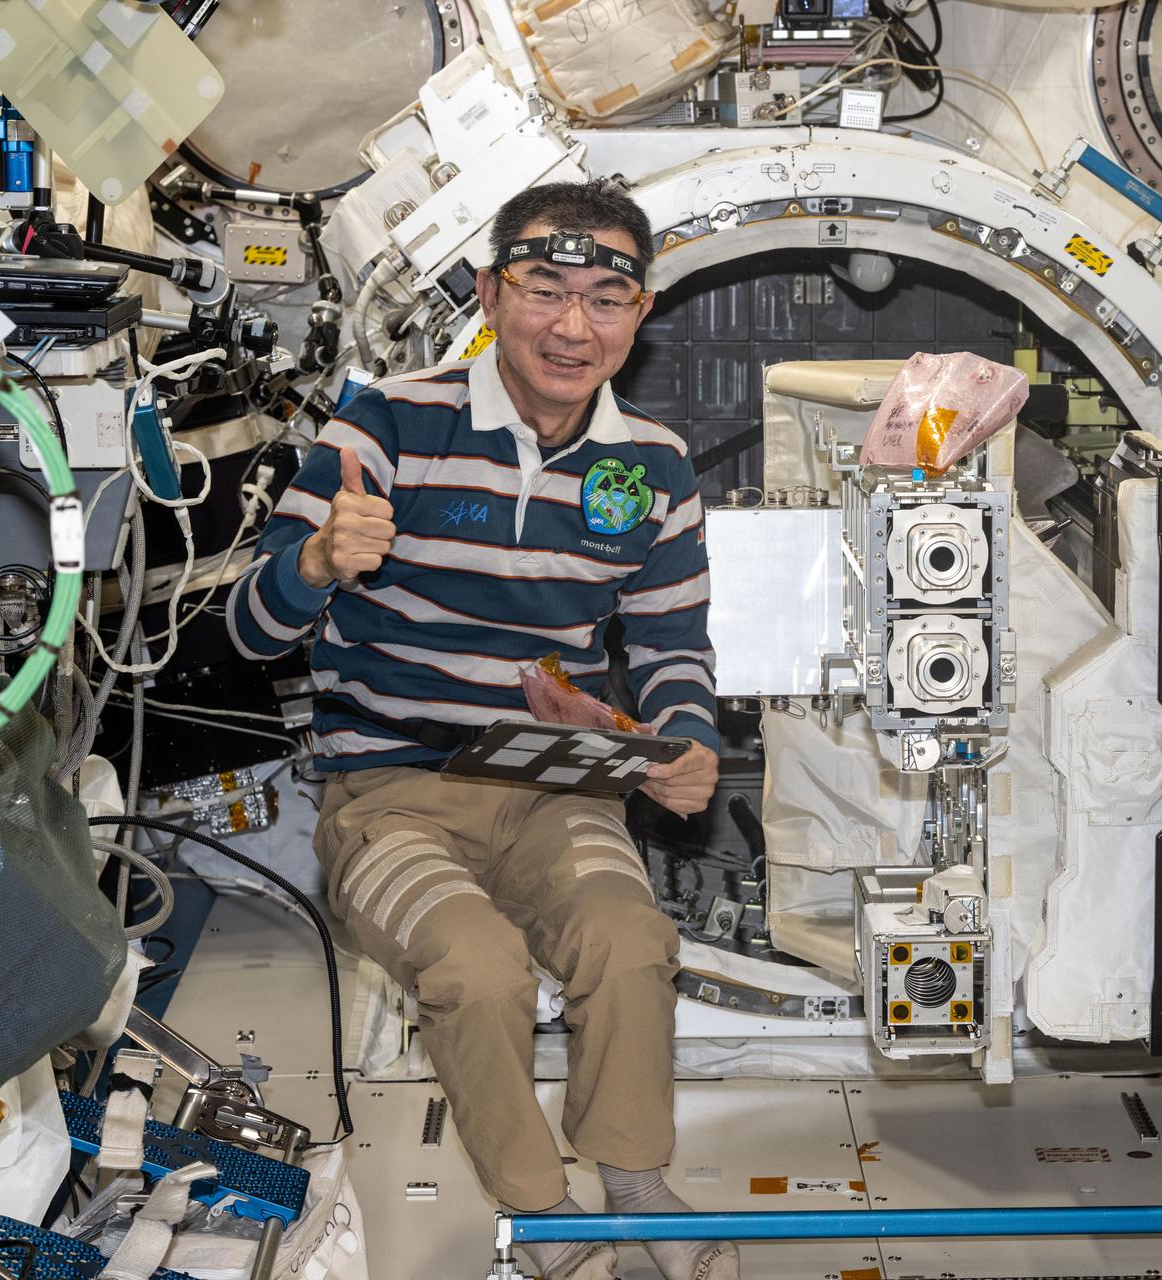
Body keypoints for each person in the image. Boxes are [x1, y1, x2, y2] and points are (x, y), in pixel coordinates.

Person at [227, 180, 731, 1280]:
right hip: (389, 791)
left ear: (639, 315)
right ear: (491, 292)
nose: (571, 325)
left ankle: (634, 1183)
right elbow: (248, 631)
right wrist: (314, 563)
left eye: (605, 297)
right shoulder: (388, 421)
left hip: (557, 787)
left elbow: (672, 649)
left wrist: (687, 743)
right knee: (479, 965)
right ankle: (545, 1218)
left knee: (631, 940)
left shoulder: (653, 467)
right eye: (543, 289)